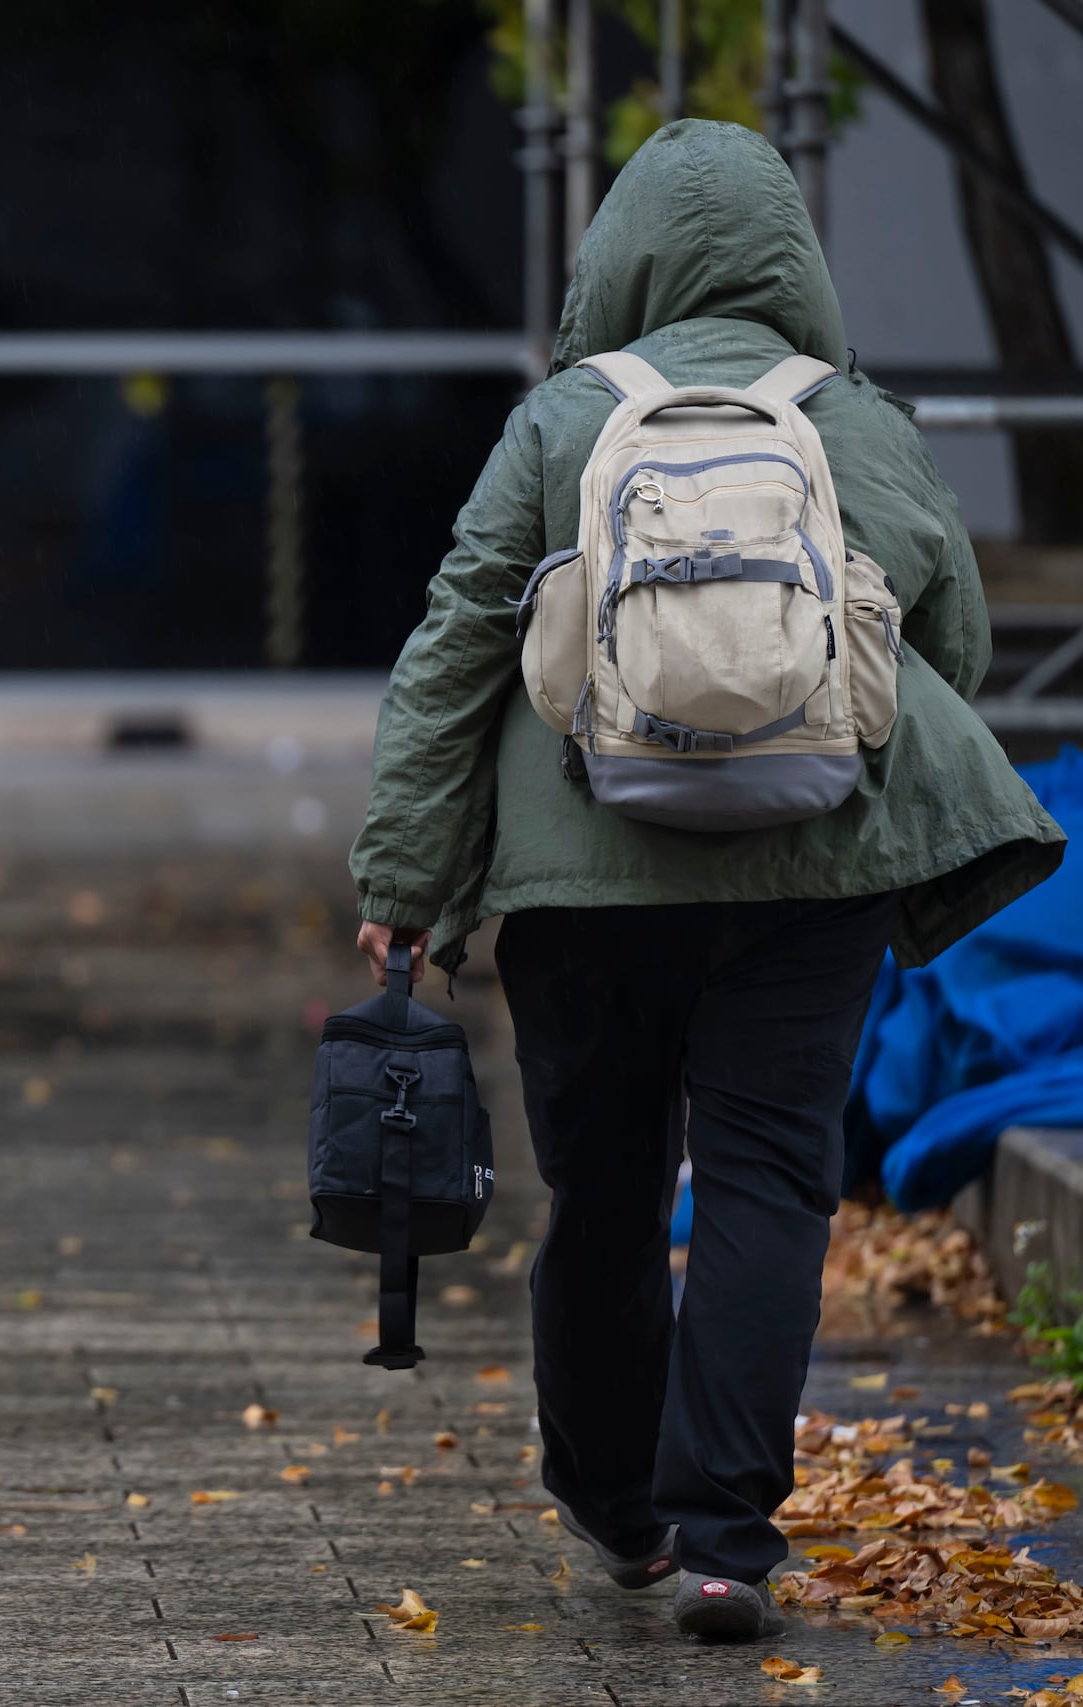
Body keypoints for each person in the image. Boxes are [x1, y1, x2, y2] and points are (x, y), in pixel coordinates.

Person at [348, 122, 1063, 1640]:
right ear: (791, 261)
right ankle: (732, 1534)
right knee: (765, 1180)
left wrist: (408, 877)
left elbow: (456, 647)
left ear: (624, 258)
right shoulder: (855, 419)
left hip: (582, 891)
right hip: (810, 878)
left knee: (602, 1192)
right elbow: (959, 648)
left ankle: (620, 1512)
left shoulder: (563, 422)